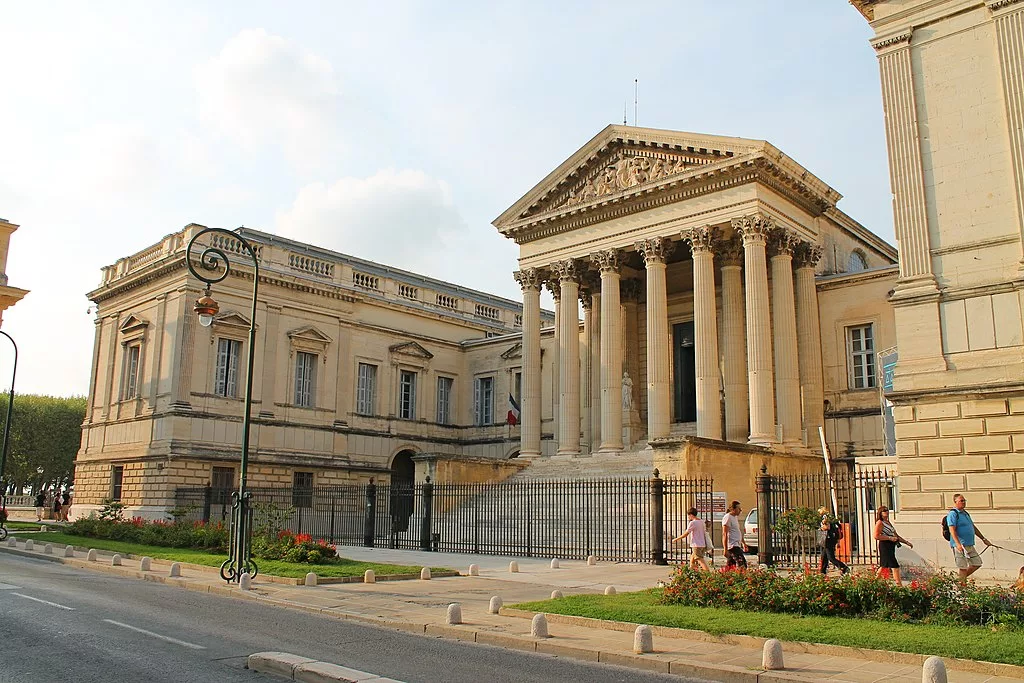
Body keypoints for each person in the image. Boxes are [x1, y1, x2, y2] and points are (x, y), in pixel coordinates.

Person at [947, 493, 991, 579]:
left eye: (964, 500)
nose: (963, 502)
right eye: (961, 501)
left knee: (977, 563)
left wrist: (983, 539)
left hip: (969, 544)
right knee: (962, 567)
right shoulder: (953, 513)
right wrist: (958, 544)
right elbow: (952, 529)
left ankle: (960, 580)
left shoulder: (965, 513)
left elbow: (972, 527)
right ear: (955, 502)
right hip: (960, 545)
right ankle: (962, 586)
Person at [873, 506, 912, 585]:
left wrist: (906, 542)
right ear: (880, 513)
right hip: (885, 545)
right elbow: (876, 536)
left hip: (891, 546)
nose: (886, 512)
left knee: (883, 566)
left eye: (887, 510)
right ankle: (899, 585)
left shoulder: (888, 522)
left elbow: (896, 535)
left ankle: (874, 582)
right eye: (884, 511)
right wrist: (889, 538)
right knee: (895, 566)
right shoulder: (880, 522)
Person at [818, 506, 849, 576]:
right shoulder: (831, 518)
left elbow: (827, 527)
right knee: (824, 556)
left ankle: (844, 567)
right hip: (831, 539)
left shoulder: (825, 518)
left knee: (830, 557)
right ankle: (822, 572)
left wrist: (821, 528)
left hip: (828, 540)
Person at [722, 500, 748, 570]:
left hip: (737, 544)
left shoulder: (735, 517)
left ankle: (726, 578)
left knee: (730, 566)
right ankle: (743, 578)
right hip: (732, 546)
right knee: (742, 564)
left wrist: (743, 543)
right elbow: (725, 533)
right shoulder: (728, 517)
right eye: (738, 508)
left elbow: (737, 531)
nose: (740, 510)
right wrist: (725, 549)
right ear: (733, 509)